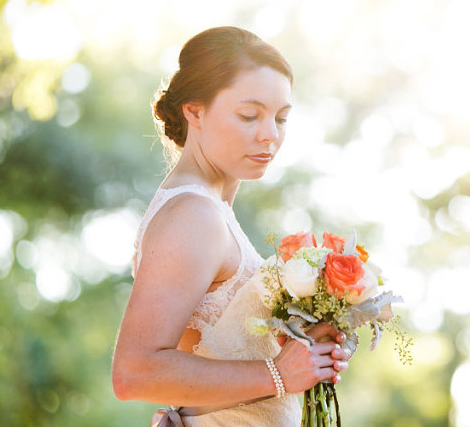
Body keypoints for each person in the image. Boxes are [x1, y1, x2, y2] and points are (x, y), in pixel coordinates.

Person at [111, 26, 352, 426]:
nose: (270, 135)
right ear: (195, 111)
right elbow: (134, 373)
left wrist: (305, 348)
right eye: (249, 115)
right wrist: (279, 373)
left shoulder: (212, 209)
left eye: (281, 118)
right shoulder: (193, 215)